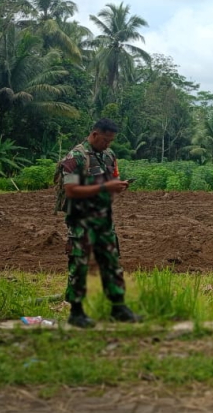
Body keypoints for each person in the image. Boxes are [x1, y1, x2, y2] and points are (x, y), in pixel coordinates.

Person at [59, 117, 142, 328]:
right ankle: (76, 312)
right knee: (80, 264)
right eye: (105, 140)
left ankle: (118, 308)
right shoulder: (76, 157)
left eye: (111, 141)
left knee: (111, 263)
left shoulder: (109, 155)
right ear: (95, 135)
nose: (108, 144)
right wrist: (105, 188)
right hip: (81, 220)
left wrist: (117, 185)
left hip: (103, 218)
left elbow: (112, 177)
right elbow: (71, 190)